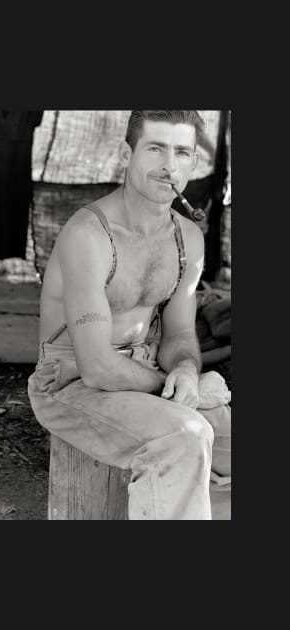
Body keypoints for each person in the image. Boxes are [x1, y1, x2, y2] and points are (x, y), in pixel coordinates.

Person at [27, 111, 231, 520]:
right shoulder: (90, 235)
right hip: (69, 383)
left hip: (143, 366)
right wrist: (174, 389)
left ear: (193, 163)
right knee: (183, 436)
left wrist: (188, 373)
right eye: (155, 148)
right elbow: (98, 369)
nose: (168, 165)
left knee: (228, 439)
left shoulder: (187, 237)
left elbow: (177, 335)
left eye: (181, 152)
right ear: (127, 154)